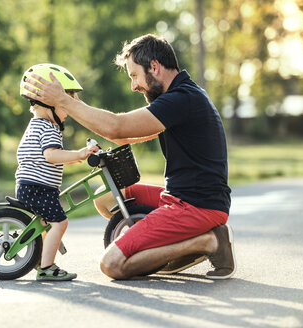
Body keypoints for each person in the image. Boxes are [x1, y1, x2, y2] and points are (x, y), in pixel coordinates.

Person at [23, 34, 236, 280]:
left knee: (111, 265)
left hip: (197, 207)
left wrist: (62, 101)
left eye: (134, 75)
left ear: (154, 67)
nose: (133, 86)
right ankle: (164, 243)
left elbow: (117, 127)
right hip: (182, 198)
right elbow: (122, 137)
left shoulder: (182, 99)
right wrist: (73, 102)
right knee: (104, 197)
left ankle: (208, 242)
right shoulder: (179, 96)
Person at [16, 63, 98, 281]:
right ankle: (47, 267)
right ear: (48, 103)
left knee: (45, 224)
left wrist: (74, 158)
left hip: (31, 187)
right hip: (38, 189)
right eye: (65, 103)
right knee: (60, 223)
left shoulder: (36, 124)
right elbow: (51, 156)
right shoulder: (48, 127)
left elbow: (49, 159)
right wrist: (80, 153)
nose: (69, 110)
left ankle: (39, 260)